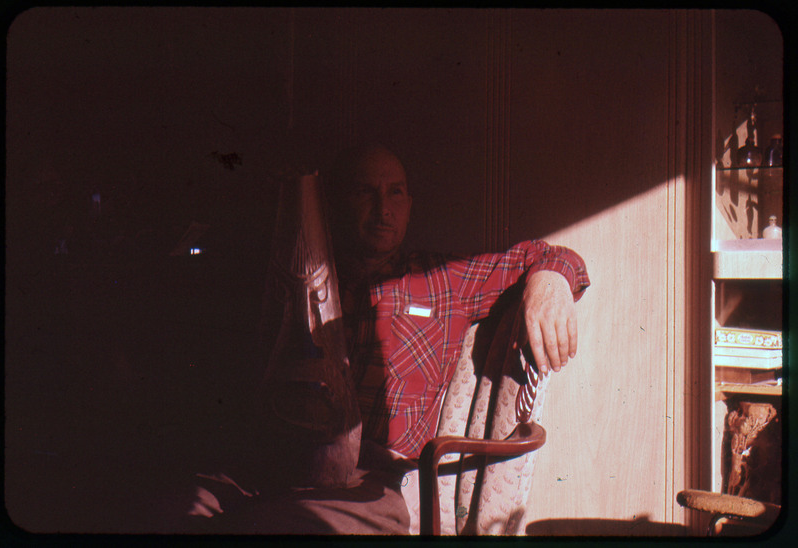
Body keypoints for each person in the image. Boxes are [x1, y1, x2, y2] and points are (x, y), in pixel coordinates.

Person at [183, 143, 590, 535]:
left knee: (274, 525)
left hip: (373, 484)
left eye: (395, 193)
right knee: (172, 509)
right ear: (332, 202)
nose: (383, 209)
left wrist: (550, 283)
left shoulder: (440, 279)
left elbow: (550, 255)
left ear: (409, 207)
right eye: (364, 191)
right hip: (273, 463)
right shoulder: (294, 277)